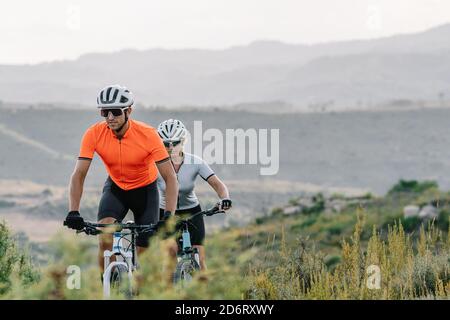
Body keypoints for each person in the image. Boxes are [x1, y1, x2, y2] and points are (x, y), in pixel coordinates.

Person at [64, 85, 178, 275]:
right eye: (104, 112)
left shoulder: (148, 135)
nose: (110, 117)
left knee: (144, 253)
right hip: (116, 188)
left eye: (115, 112)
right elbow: (79, 174)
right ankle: (109, 286)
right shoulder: (93, 133)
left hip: (146, 191)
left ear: (128, 111)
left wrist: (168, 216)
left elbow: (170, 177)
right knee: (105, 238)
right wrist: (73, 211)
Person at [156, 119, 232, 271]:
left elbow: (218, 184)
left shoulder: (195, 162)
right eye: (165, 143)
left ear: (183, 141)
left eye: (175, 142)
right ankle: (170, 293)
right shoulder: (155, 163)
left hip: (192, 211)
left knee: (200, 258)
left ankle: (203, 293)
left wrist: (225, 198)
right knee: (169, 259)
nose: (170, 147)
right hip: (165, 213)